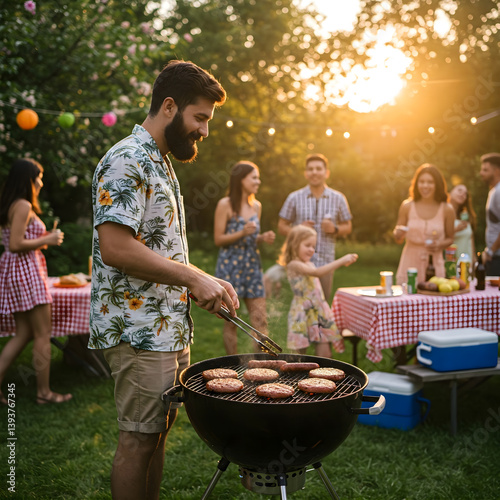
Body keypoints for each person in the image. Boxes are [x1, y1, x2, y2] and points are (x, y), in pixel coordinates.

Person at [88, 60, 238, 500]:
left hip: (163, 327)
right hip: (136, 330)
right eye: (201, 118)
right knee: (137, 439)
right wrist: (191, 276)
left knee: (155, 435)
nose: (205, 131)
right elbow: (117, 247)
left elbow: (158, 248)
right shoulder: (127, 159)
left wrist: (204, 278)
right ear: (169, 106)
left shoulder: (159, 160)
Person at [0, 158, 70, 405]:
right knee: (43, 333)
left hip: (16, 271)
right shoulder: (22, 205)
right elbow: (15, 244)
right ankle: (44, 393)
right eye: (38, 177)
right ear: (28, 180)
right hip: (25, 272)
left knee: (23, 334)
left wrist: (44, 239)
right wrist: (47, 240)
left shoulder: (12, 204)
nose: (40, 182)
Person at [214, 161, 275, 354]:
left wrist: (261, 238)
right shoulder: (225, 205)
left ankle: (259, 366)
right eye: (254, 177)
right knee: (231, 320)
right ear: (241, 180)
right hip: (230, 267)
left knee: (260, 319)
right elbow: (218, 239)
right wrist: (241, 233)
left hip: (252, 267)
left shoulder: (256, 206)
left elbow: (250, 238)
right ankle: (232, 366)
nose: (258, 181)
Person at [278, 153, 352, 303]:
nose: (314, 172)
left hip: (326, 260)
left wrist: (335, 229)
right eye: (310, 169)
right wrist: (298, 229)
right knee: (302, 303)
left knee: (322, 304)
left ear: (326, 173)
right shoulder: (294, 197)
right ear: (306, 173)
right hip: (300, 262)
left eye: (319, 169)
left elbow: (348, 226)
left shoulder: (338, 198)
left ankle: (318, 328)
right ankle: (300, 327)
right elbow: (281, 226)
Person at [278, 225, 357, 358]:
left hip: (318, 310)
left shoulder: (309, 263)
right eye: (307, 245)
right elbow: (317, 273)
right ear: (295, 244)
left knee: (325, 349)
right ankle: (298, 374)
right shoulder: (294, 264)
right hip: (302, 311)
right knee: (299, 353)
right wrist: (342, 260)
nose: (311, 249)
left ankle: (323, 373)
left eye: (313, 246)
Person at [393, 163, 455, 285]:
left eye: (430, 182)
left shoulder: (447, 209)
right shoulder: (407, 206)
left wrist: (439, 245)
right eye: (421, 182)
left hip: (434, 264)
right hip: (409, 264)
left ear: (437, 185)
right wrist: (397, 234)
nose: (425, 186)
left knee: (434, 301)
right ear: (416, 184)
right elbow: (398, 238)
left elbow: (450, 238)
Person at [479, 152, 500, 275]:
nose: (481, 173)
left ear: (497, 171)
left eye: (485, 170)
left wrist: (490, 251)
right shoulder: (493, 191)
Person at [448, 184, 476, 261]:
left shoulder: (465, 216)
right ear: (451, 192)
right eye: (459, 190)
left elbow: (470, 239)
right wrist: (455, 230)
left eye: (465, 194)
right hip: (451, 264)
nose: (462, 194)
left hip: (467, 263)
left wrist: (474, 258)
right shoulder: (443, 213)